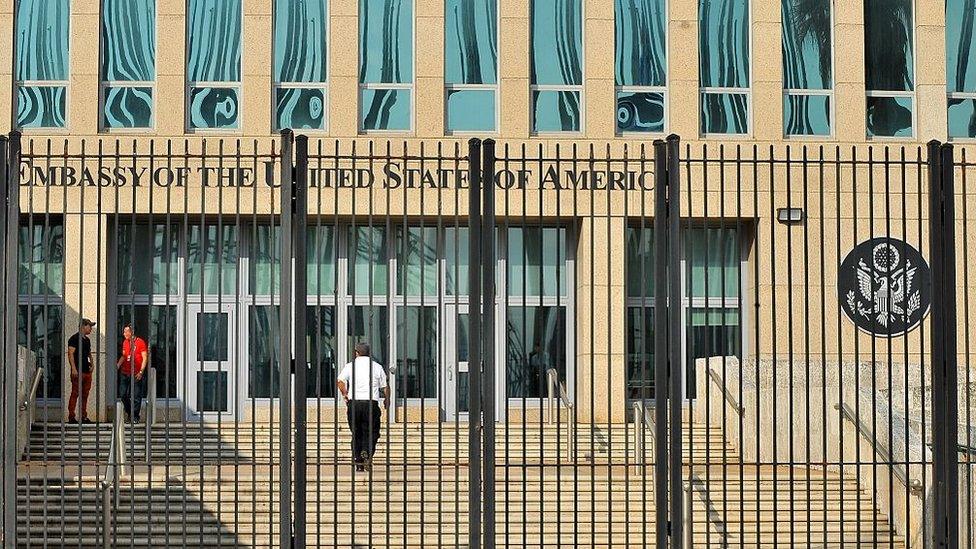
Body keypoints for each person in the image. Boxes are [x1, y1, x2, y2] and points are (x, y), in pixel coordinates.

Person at [337, 342, 389, 471]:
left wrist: (345, 394)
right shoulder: (376, 366)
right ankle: (367, 452)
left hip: (354, 403)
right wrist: (387, 399)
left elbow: (340, 381)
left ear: (356, 352)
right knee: (372, 432)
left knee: (356, 432)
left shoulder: (350, 366)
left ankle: (358, 462)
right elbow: (385, 386)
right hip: (370, 403)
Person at [117, 323, 148, 423]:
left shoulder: (140, 342)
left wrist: (141, 372)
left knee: (136, 395)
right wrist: (117, 365)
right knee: (122, 394)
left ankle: (135, 416)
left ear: (132, 332)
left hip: (136, 373)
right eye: (124, 331)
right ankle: (130, 412)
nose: (124, 333)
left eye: (127, 331)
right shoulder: (125, 342)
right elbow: (124, 355)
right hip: (125, 372)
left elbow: (145, 357)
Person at [66, 318, 96, 424]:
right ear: (83, 326)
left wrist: (92, 364)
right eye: (89, 326)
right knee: (75, 393)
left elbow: (89, 353)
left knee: (85, 394)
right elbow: (70, 353)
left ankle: (83, 416)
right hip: (78, 371)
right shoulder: (74, 338)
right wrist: (73, 368)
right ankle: (71, 416)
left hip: (87, 371)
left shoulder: (87, 340)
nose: (91, 328)